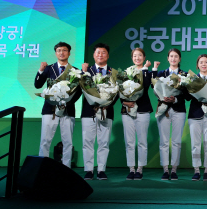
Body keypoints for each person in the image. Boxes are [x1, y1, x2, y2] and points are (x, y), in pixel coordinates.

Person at [34, 42, 82, 168]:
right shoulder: (49, 68)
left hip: (68, 110)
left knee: (68, 142)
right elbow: (38, 85)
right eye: (59, 50)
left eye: (64, 50)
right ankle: (42, 168)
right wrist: (40, 70)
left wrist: (67, 102)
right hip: (50, 109)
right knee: (45, 140)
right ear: (56, 53)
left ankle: (66, 168)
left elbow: (78, 91)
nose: (62, 52)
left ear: (69, 53)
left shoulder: (75, 71)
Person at [120, 48, 159, 180]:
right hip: (127, 110)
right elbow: (119, 90)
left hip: (143, 109)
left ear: (144, 57)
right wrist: (125, 102)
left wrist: (145, 70)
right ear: (132, 58)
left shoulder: (146, 72)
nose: (137, 58)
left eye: (140, 55)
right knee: (129, 142)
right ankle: (131, 168)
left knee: (142, 141)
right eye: (135, 56)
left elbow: (147, 85)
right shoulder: (126, 72)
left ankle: (140, 169)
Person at [81, 43, 118, 180]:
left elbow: (117, 93)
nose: (100, 55)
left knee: (104, 142)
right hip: (88, 111)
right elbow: (81, 90)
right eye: (98, 52)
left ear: (107, 55)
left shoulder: (113, 73)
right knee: (88, 142)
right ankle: (89, 170)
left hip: (106, 111)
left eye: (103, 52)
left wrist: (107, 104)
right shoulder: (86, 71)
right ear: (94, 55)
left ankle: (101, 169)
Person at [156, 48, 189, 180]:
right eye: (171, 56)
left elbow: (187, 95)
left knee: (176, 141)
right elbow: (156, 90)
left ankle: (174, 169)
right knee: (164, 141)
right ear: (168, 58)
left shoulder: (185, 75)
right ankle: (165, 169)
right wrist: (163, 98)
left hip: (178, 110)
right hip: (163, 109)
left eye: (176, 56)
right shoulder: (161, 73)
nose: (173, 59)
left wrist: (175, 99)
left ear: (179, 59)